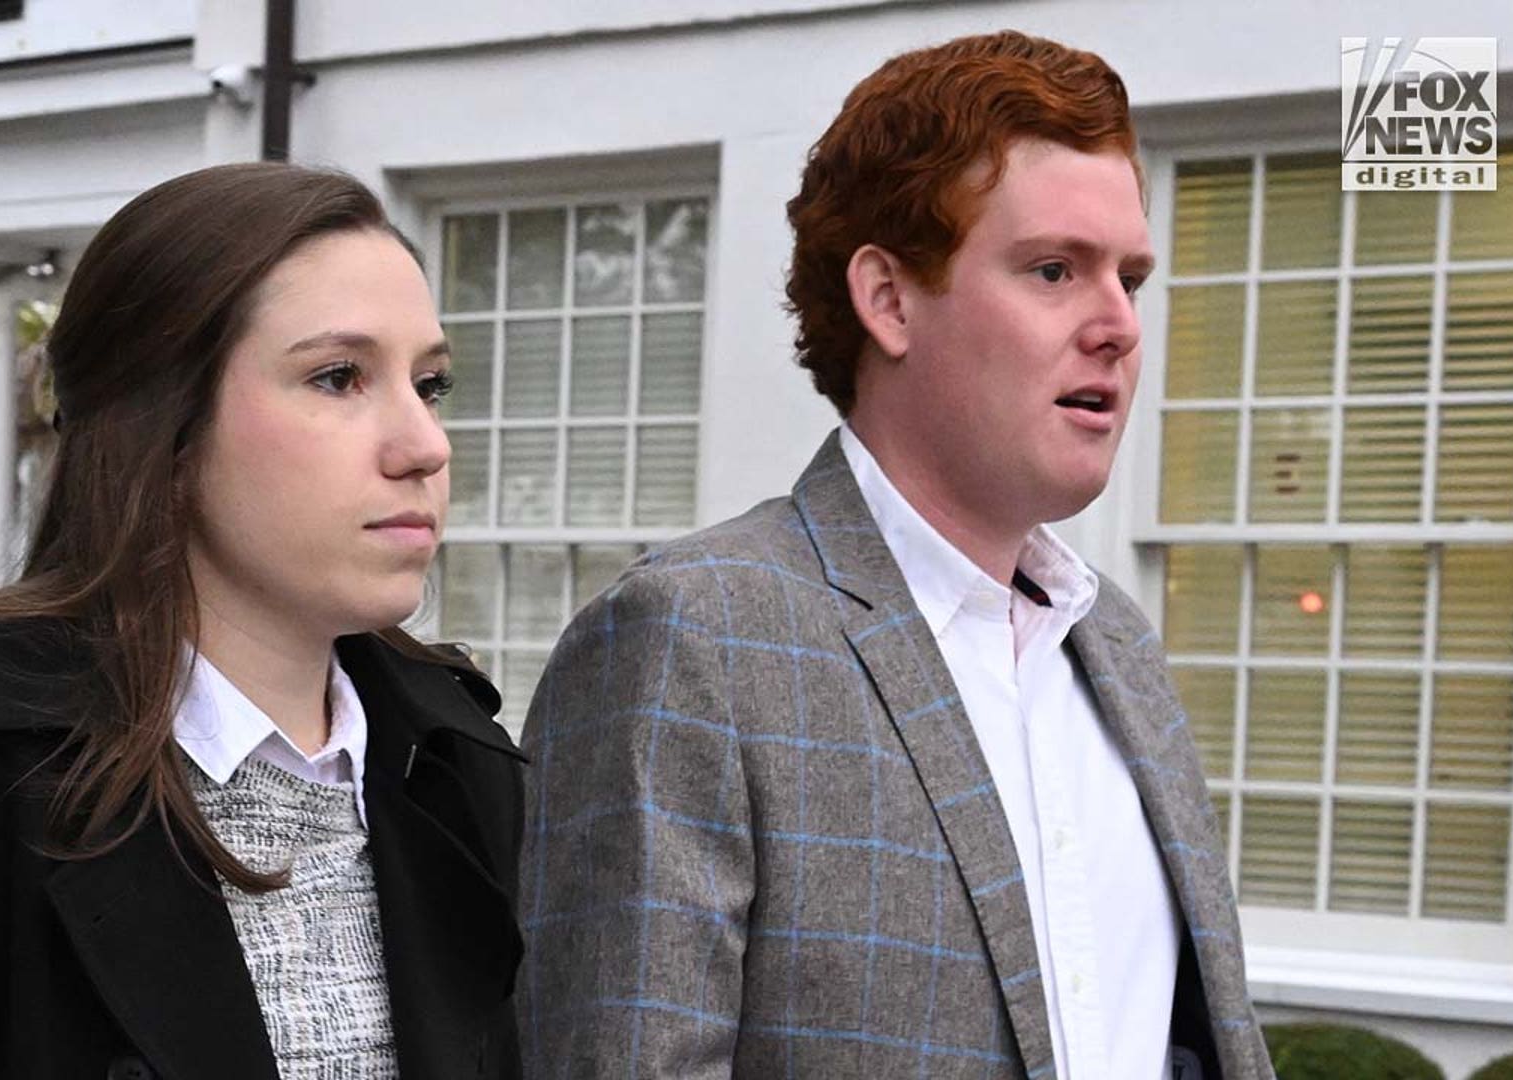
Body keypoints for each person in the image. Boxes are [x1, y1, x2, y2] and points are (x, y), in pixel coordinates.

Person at [517, 30, 1271, 1080]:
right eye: (1054, 269)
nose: (1116, 325)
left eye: (1130, 279)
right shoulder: (694, 645)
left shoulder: (1118, 652)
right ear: (889, 299)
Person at [0, 163, 525, 1080]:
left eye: (430, 385)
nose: (424, 446)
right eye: (339, 377)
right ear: (163, 424)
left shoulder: (456, 759)